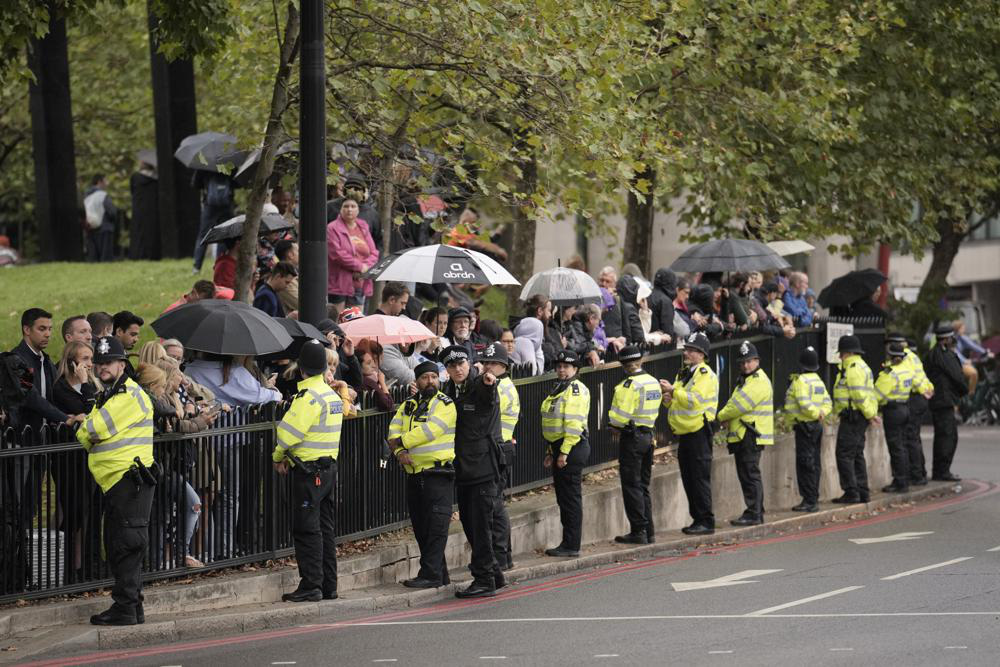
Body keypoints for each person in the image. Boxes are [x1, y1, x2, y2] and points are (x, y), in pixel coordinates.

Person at [77, 336, 156, 625]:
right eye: (98, 363)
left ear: (122, 364)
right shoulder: (109, 395)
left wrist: (86, 428)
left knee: (127, 543)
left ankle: (126, 608)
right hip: (118, 482)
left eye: (108, 362)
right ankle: (132, 607)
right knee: (121, 543)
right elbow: (90, 429)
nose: (102, 368)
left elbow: (92, 430)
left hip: (128, 481)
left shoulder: (127, 396)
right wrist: (87, 428)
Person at [272, 341, 343, 602]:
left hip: (307, 473)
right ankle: (329, 585)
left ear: (301, 369)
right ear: (324, 367)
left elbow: (287, 435)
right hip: (328, 471)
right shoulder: (331, 396)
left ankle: (311, 584)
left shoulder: (308, 398)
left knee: (306, 530)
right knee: (325, 528)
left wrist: (277, 456)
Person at [441, 345, 505, 598]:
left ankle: (484, 579)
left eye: (462, 364)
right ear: (447, 369)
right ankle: (494, 574)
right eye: (452, 366)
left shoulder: (480, 384)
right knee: (472, 524)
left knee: (479, 526)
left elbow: (488, 395)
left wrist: (490, 383)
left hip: (483, 467)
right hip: (464, 468)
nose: (458, 369)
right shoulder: (448, 390)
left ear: (469, 364)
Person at [387, 361, 458, 588]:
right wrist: (399, 452)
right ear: (416, 381)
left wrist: (402, 442)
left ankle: (430, 575)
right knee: (422, 528)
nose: (430, 382)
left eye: (434, 377)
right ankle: (440, 574)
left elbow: (431, 430)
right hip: (414, 474)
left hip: (437, 473)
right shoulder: (407, 405)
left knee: (436, 528)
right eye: (425, 377)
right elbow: (392, 430)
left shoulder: (445, 404)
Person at [660, 332, 718, 535]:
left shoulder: (705, 375)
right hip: (684, 432)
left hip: (699, 432)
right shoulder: (684, 373)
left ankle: (706, 520)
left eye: (691, 350)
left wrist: (674, 392)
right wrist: (667, 397)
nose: (687, 352)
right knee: (688, 477)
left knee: (699, 477)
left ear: (701, 354)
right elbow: (677, 400)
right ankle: (697, 519)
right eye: (687, 349)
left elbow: (695, 400)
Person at [607, 345, 661, 544]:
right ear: (640, 361)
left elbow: (620, 417)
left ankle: (638, 530)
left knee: (631, 485)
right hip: (649, 435)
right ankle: (649, 531)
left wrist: (613, 425)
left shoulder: (629, 385)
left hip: (632, 438)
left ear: (623, 365)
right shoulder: (652, 381)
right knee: (643, 485)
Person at [540, 349, 591, 558]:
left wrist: (564, 452)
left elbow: (572, 425)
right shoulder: (560, 387)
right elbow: (553, 424)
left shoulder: (576, 389)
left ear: (575, 369)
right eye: (559, 366)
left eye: (566, 366)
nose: (561, 369)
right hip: (560, 447)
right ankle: (568, 542)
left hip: (572, 446)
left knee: (570, 498)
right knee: (564, 497)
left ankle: (571, 545)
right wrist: (550, 451)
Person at [717, 341, 774, 526]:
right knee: (749, 474)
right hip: (745, 434)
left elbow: (738, 405)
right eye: (742, 362)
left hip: (750, 434)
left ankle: (754, 513)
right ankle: (756, 510)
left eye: (749, 361)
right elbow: (736, 404)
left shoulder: (758, 381)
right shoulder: (747, 380)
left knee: (750, 474)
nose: (745, 365)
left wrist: (721, 416)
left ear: (757, 360)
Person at [481, 343, 518, 571]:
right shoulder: (499, 384)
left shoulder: (501, 388)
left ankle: (501, 557)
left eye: (491, 363)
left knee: (495, 505)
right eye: (485, 362)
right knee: (495, 504)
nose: (487, 366)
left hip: (499, 449)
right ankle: (504, 556)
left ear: (502, 365)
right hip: (498, 448)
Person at [11, 308, 75, 434]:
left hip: (45, 438)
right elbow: (32, 398)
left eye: (50, 329)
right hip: (22, 440)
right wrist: (66, 419)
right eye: (42, 329)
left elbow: (60, 392)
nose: (48, 334)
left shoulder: (45, 360)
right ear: (27, 330)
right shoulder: (15, 360)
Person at [783, 346, 831, 512]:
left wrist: (815, 413)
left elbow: (803, 403)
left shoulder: (801, 382)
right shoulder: (818, 381)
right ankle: (813, 497)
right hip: (816, 426)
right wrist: (821, 413)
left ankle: (809, 501)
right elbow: (828, 402)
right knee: (814, 462)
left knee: (805, 464)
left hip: (804, 426)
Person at [831, 335, 878, 503]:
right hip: (858, 416)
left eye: (841, 353)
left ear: (848, 353)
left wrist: (869, 414)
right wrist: (870, 414)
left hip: (853, 417)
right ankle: (862, 491)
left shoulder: (853, 368)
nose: (839, 357)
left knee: (844, 454)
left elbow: (858, 395)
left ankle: (852, 492)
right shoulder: (862, 366)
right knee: (856, 454)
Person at [885, 332, 934, 486]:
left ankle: (915, 475)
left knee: (909, 439)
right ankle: (919, 473)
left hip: (912, 397)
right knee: (914, 438)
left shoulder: (902, 358)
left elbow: (906, 378)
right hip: (920, 396)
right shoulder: (911, 355)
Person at [923, 325, 968, 482]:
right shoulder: (945, 355)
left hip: (939, 400)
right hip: (944, 400)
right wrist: (964, 391)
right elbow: (957, 376)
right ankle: (942, 471)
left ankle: (940, 470)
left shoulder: (932, 354)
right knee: (948, 437)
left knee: (944, 436)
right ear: (947, 339)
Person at [875, 342, 916, 493]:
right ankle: (904, 479)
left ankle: (899, 482)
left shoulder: (890, 373)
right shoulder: (907, 370)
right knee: (903, 446)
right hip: (905, 407)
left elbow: (878, 395)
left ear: (890, 356)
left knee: (896, 447)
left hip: (893, 411)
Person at [327, 198, 379, 312]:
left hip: (359, 281)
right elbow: (337, 254)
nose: (349, 209)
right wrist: (359, 267)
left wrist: (365, 267)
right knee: (337, 320)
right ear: (340, 209)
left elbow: (374, 252)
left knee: (356, 320)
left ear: (358, 210)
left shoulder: (363, 226)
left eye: (353, 206)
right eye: (346, 206)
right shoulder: (332, 228)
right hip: (339, 283)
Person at [193, 171, 236, 274]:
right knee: (224, 235)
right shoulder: (230, 162)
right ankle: (219, 263)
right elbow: (237, 182)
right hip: (227, 205)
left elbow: (195, 184)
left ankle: (196, 267)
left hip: (209, 205)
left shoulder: (204, 164)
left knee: (203, 236)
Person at [128, 156, 159, 260]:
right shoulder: (156, 178)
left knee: (139, 232)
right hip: (153, 209)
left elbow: (132, 191)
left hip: (139, 208)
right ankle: (152, 255)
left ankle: (138, 255)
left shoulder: (135, 177)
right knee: (152, 232)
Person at [83, 174, 117, 262]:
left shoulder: (87, 196)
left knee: (94, 258)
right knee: (106, 258)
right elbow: (112, 212)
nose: (107, 183)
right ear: (99, 182)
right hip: (105, 228)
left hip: (91, 228)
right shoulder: (103, 195)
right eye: (105, 181)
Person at [112, 311, 144, 381]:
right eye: (133, 334)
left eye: (137, 335)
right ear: (119, 332)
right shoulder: (112, 358)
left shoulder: (122, 354)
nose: (136, 339)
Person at [648, 269, 677, 344]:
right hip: (660, 345)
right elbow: (667, 329)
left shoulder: (647, 296)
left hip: (648, 341)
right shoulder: (665, 301)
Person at [274, 240, 300, 315]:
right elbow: (302, 304)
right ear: (290, 255)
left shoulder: (291, 274)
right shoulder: (285, 279)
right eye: (298, 251)